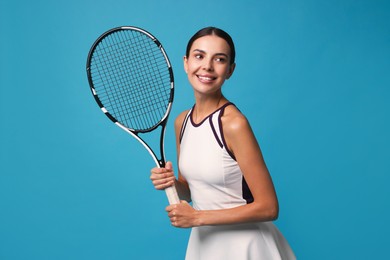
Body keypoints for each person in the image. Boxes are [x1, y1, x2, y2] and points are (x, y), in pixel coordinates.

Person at [150, 26, 295, 260]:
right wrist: (172, 184)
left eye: (219, 59)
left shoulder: (234, 124)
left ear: (230, 70)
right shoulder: (182, 122)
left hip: (248, 247)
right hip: (205, 246)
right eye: (199, 56)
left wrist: (197, 218)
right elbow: (191, 190)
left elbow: (269, 207)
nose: (207, 66)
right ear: (186, 63)